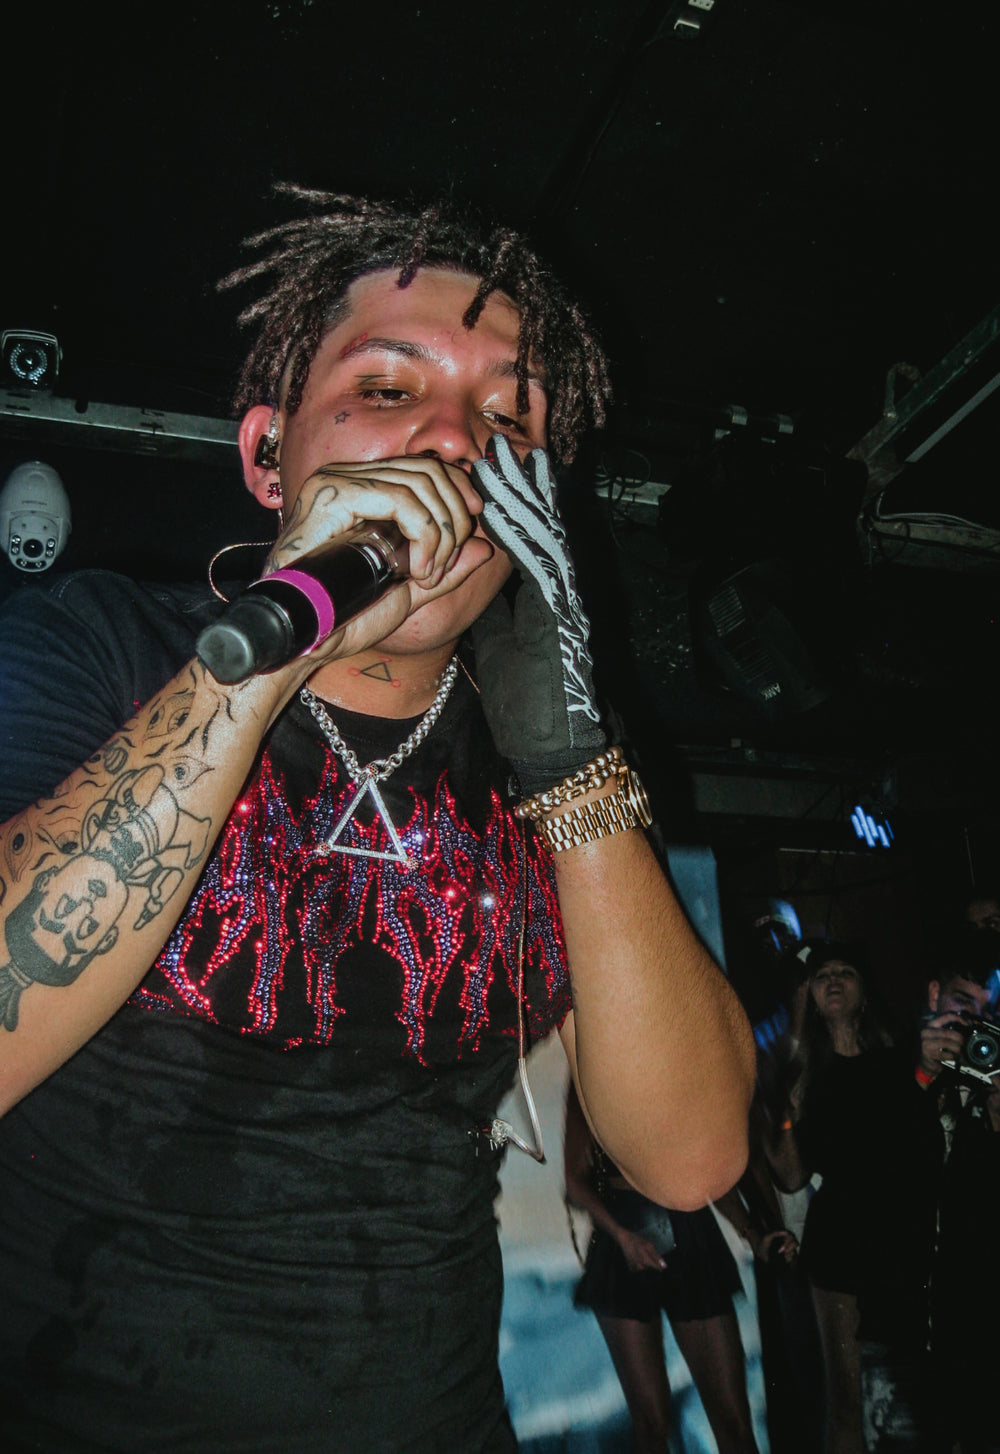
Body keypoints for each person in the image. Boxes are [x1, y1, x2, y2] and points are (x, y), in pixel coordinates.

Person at [0, 187, 755, 1453]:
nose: (454, 440)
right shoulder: (97, 646)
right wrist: (263, 666)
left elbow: (692, 1157)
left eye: (509, 416)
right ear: (267, 455)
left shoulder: (547, 761)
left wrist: (571, 756)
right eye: (390, 388)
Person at [852, 932, 1000, 1453]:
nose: (975, 1020)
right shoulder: (880, 1071)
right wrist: (920, 1078)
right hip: (898, 1330)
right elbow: (869, 1180)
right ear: (934, 994)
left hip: (978, 1338)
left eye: (987, 1009)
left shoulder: (989, 1079)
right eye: (963, 1003)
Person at [565, 1080, 768, 1454]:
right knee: (650, 1424)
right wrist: (621, 1236)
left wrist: (752, 1233)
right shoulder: (586, 1072)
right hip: (621, 1236)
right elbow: (574, 1180)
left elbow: (711, 1173)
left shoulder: (678, 1062)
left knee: (734, 1423)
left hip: (689, 1229)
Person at [767, 942, 893, 1454]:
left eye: (845, 972)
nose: (834, 980)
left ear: (865, 992)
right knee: (845, 1395)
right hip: (838, 1236)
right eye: (822, 975)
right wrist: (786, 1111)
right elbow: (790, 1177)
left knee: (903, 1385)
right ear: (811, 996)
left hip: (898, 1231)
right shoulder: (804, 1072)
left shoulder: (897, 1062)